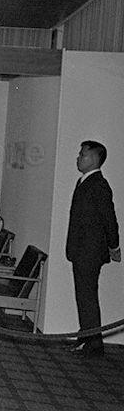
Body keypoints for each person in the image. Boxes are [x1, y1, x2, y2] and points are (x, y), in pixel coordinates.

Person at [66, 140, 120, 357]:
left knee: (87, 296)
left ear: (95, 158)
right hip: (81, 250)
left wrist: (114, 245)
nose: (79, 158)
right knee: (84, 296)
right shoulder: (85, 182)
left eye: (83, 155)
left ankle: (93, 343)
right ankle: (87, 338)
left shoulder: (99, 185)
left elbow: (109, 218)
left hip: (90, 251)